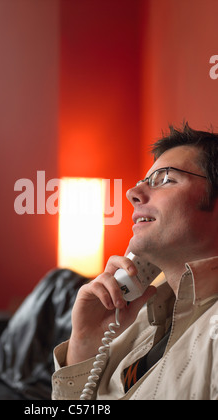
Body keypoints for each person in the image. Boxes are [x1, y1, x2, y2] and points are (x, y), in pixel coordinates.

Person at [52, 122, 218, 400]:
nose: (132, 193)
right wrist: (84, 343)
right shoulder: (139, 319)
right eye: (143, 181)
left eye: (164, 178)